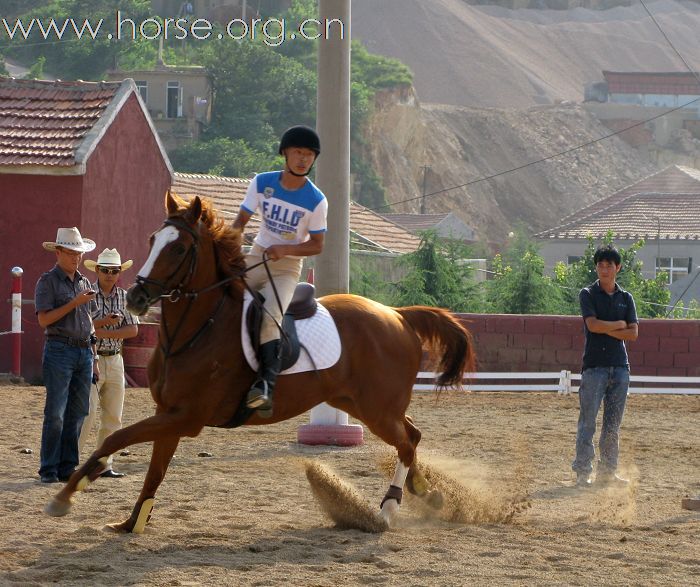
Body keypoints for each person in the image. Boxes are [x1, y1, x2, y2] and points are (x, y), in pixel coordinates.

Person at [232, 125, 328, 416]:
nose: (303, 159)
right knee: (222, 297)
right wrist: (230, 253)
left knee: (271, 317)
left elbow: (317, 246)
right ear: (285, 153)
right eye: (298, 152)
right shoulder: (262, 183)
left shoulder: (317, 200)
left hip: (286, 268)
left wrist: (286, 250)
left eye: (309, 154)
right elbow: (240, 223)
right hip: (256, 256)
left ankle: (265, 386)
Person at [572, 244, 639, 488]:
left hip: (620, 367)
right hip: (595, 366)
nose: (604, 269)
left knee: (612, 424)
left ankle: (607, 472)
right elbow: (593, 326)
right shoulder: (587, 293)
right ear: (596, 267)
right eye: (600, 265)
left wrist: (607, 326)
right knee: (588, 421)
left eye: (608, 265)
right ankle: (582, 471)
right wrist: (619, 324)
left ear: (617, 267)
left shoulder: (626, 297)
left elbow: (633, 335)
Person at [35, 227, 98, 484]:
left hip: (83, 351)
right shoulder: (47, 282)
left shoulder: (83, 282)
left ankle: (67, 467)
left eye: (79, 253)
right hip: (59, 349)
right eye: (71, 253)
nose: (76, 258)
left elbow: (90, 321)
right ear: (58, 252)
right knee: (56, 412)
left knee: (78, 411)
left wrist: (94, 358)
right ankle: (49, 468)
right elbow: (44, 320)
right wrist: (74, 303)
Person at [78, 248, 139, 478]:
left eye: (114, 271)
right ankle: (71, 462)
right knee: (88, 412)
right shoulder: (88, 294)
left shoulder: (125, 296)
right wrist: (108, 330)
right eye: (105, 270)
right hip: (91, 359)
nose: (110, 274)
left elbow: (133, 330)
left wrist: (101, 331)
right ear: (97, 270)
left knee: (113, 415)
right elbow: (86, 330)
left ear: (119, 272)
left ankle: (104, 464)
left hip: (115, 359)